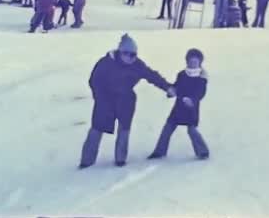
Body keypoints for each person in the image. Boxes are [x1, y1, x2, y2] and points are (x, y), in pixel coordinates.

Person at [79, 34, 176, 168]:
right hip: (105, 101)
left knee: (124, 129)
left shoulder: (137, 65)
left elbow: (152, 76)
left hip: (126, 100)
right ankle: (86, 161)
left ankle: (120, 159)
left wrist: (167, 87)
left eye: (133, 55)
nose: (130, 57)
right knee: (97, 129)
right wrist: (100, 98)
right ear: (120, 52)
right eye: (126, 54)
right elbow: (94, 81)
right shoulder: (106, 63)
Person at [148, 49, 209, 160]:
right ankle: (159, 151)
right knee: (167, 128)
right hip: (178, 107)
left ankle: (203, 152)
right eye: (191, 61)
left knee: (192, 130)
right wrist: (171, 91)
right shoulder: (182, 74)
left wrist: (193, 100)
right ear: (187, 61)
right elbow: (177, 86)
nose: (193, 64)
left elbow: (201, 92)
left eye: (195, 61)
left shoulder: (201, 78)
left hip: (191, 109)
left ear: (200, 62)